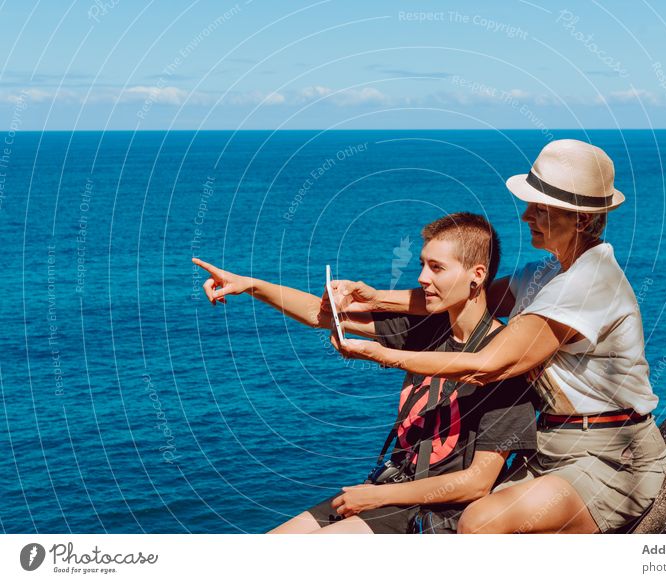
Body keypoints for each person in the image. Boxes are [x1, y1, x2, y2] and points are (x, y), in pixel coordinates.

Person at [330, 139, 666, 534]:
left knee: (479, 522)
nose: (526, 216)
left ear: (579, 220)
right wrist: (376, 296)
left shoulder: (588, 283)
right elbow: (463, 296)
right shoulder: (543, 274)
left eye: (541, 209)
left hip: (611, 458)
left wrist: (383, 356)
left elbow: (487, 366)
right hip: (551, 447)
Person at [192, 212, 537, 534]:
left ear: (477, 275)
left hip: (432, 512)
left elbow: (477, 482)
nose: (421, 278)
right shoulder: (430, 328)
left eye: (436, 268)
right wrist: (249, 284)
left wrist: (377, 498)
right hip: (387, 490)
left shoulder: (501, 359)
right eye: (422, 265)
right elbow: (322, 314)